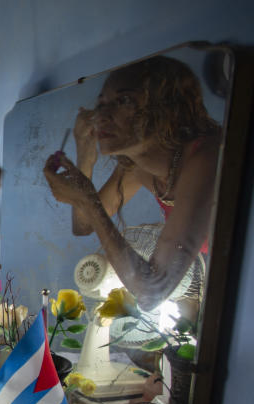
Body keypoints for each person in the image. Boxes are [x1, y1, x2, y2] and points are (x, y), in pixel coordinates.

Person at [43, 55, 221, 311]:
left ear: (166, 108)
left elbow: (152, 290)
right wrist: (85, 154)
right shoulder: (136, 167)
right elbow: (83, 225)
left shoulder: (206, 157)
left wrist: (85, 197)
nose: (102, 115)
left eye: (124, 100)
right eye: (101, 103)